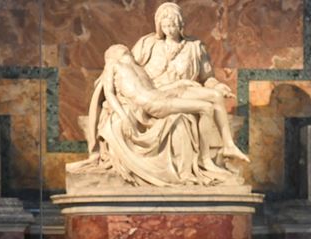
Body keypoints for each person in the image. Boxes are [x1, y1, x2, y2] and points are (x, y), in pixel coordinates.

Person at [101, 44, 247, 161]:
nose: (130, 53)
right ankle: (205, 159)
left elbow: (154, 89)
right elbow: (109, 93)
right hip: (154, 103)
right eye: (125, 51)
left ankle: (229, 145)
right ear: (114, 55)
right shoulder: (113, 65)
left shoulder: (139, 69)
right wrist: (124, 117)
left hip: (161, 95)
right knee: (206, 108)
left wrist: (181, 83)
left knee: (215, 95)